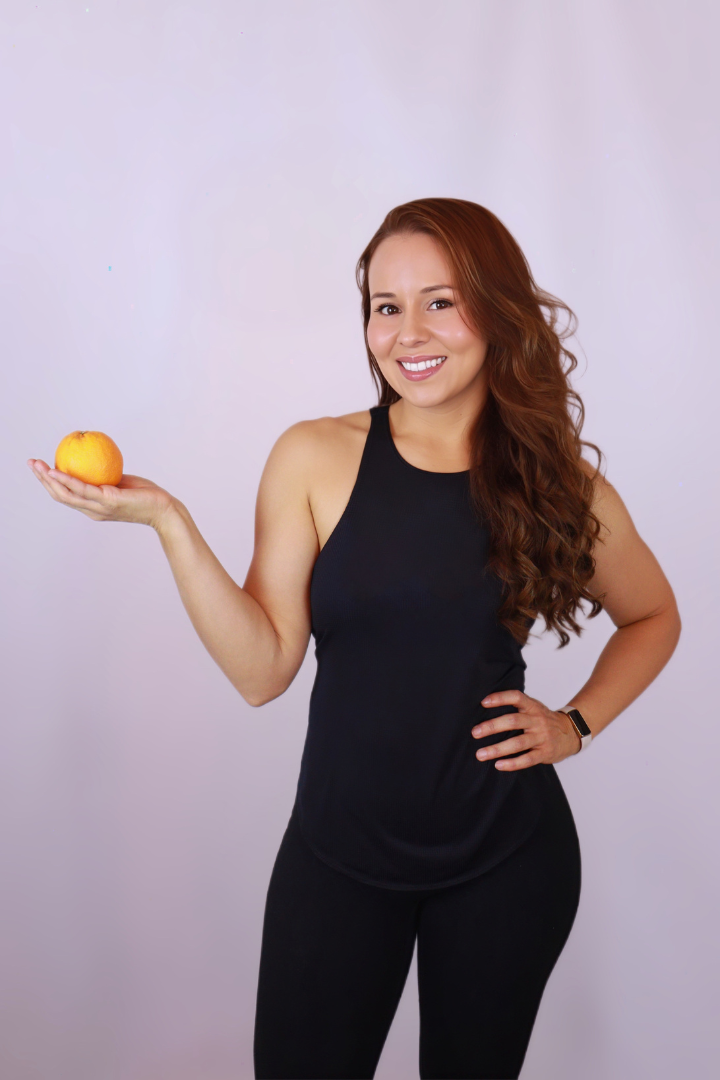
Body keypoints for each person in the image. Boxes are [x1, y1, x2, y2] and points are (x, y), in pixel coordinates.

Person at [28, 197, 681, 1080]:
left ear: (496, 310)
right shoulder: (313, 457)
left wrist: (576, 723)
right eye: (385, 305)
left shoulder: (560, 484)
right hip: (338, 855)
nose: (408, 330)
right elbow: (263, 671)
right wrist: (168, 521)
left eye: (441, 301)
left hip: (507, 858)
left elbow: (653, 616)